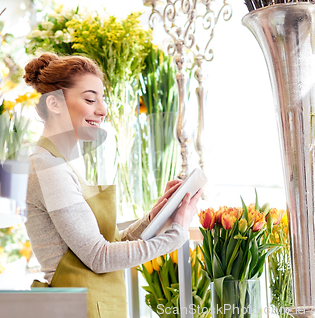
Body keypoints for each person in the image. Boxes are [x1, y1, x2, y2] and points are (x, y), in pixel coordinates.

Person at [23, 52, 201, 318]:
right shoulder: (47, 168)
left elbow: (108, 244)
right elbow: (99, 257)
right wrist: (176, 235)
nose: (103, 110)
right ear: (55, 104)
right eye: (90, 99)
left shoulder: (61, 165)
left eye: (102, 100)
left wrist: (155, 216)